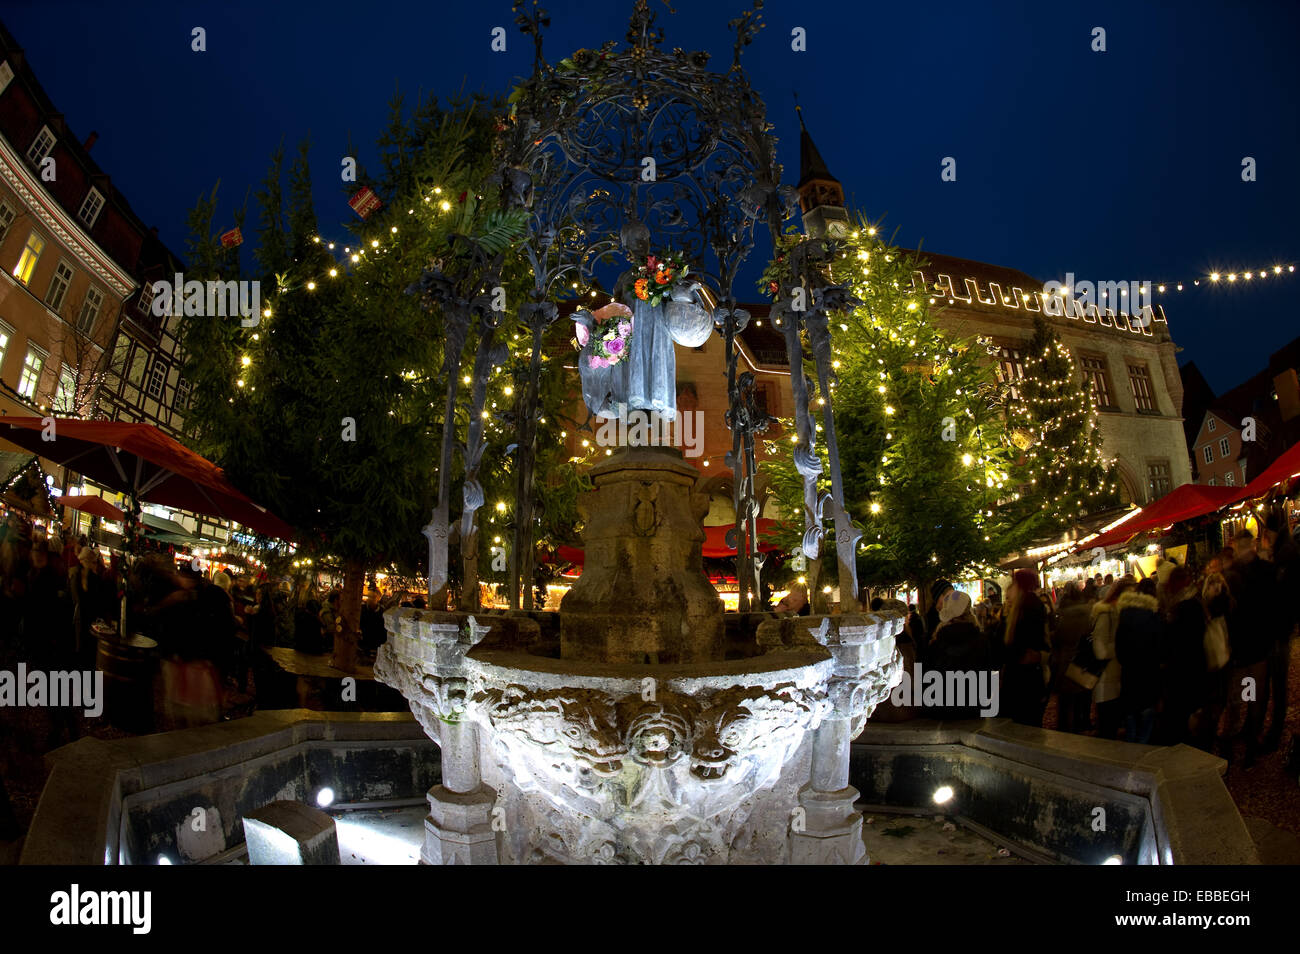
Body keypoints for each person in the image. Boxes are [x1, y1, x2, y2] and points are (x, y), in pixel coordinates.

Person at [1222, 530, 1279, 767]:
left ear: (1236, 546)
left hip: (1240, 649)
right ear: (1253, 545)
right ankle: (1249, 748)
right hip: (1257, 648)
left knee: (1237, 700)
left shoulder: (1230, 575)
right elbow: (1274, 607)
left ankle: (1231, 748)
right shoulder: (1265, 571)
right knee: (1252, 697)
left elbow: (1224, 613)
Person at [924, 590, 996, 719]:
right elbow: (989, 676)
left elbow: (927, 679)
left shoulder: (936, 642)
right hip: (974, 709)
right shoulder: (982, 640)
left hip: (941, 710)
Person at [1158, 565, 1207, 746]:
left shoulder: (1183, 608)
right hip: (1193, 668)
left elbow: (1176, 640)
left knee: (1181, 714)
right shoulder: (1195, 602)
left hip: (1182, 670)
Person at [1115, 578, 1162, 744]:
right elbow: (1159, 648)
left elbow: (1119, 649)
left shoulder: (1124, 615)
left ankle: (1129, 754)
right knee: (1145, 720)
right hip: (1148, 674)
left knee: (1131, 720)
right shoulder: (1154, 616)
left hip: (1129, 674)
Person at [1003, 569, 1049, 727]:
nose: (1009, 589)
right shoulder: (1024, 608)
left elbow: (1019, 645)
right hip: (1026, 678)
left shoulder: (1027, 609)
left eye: (1013, 584)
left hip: (1023, 680)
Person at [1090, 578, 1133, 739]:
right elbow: (1099, 649)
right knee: (1107, 724)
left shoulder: (1118, 613)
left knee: (1113, 721)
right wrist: (1120, 647)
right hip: (1105, 678)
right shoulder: (1106, 613)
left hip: (1115, 676)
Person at [1051, 580, 1094, 733]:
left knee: (1066, 699)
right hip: (1084, 659)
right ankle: (1083, 721)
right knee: (1084, 694)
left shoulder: (1064, 616)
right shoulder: (1089, 613)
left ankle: (1066, 727)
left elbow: (1057, 639)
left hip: (1067, 659)